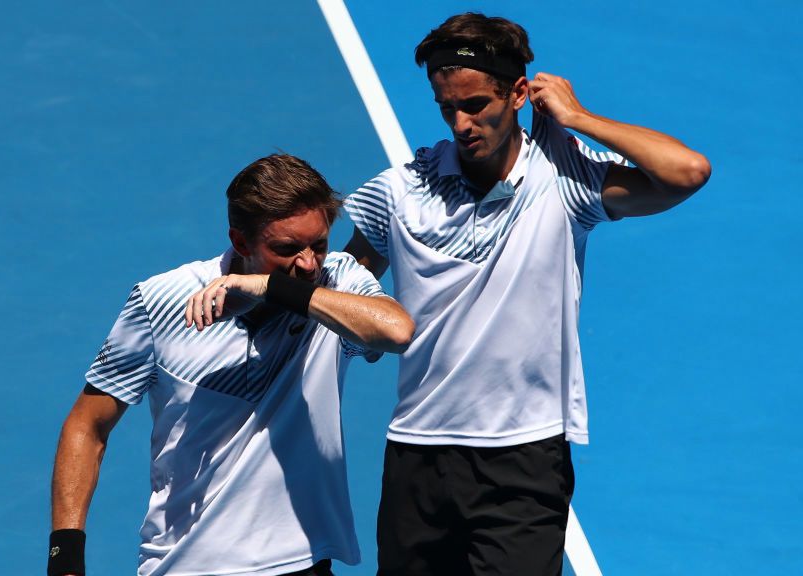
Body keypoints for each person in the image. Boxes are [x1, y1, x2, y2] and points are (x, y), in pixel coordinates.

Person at [343, 13, 711, 576]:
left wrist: (579, 118)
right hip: (417, 450)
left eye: (475, 106)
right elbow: (349, 277)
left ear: (518, 94)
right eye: (447, 109)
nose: (461, 124)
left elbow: (686, 171)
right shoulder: (399, 191)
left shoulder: (565, 184)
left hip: (525, 457)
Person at [49, 154, 415, 576]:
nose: (309, 263)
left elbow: (397, 330)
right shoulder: (161, 300)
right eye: (287, 249)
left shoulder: (335, 283)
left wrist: (272, 287)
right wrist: (65, 555)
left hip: (300, 560)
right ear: (241, 243)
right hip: (186, 564)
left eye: (319, 243)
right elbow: (87, 425)